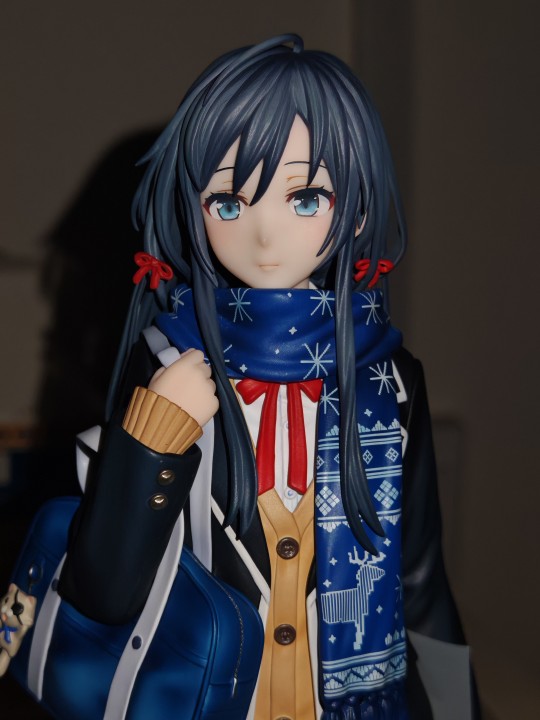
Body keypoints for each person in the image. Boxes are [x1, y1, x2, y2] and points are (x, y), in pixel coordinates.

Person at [33, 35, 475, 719]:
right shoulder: (168, 362)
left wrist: (456, 708)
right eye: (230, 203)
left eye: (306, 197)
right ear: (193, 207)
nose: (265, 236)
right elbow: (102, 591)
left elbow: (420, 584)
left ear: (357, 206)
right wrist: (154, 438)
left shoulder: (391, 383)